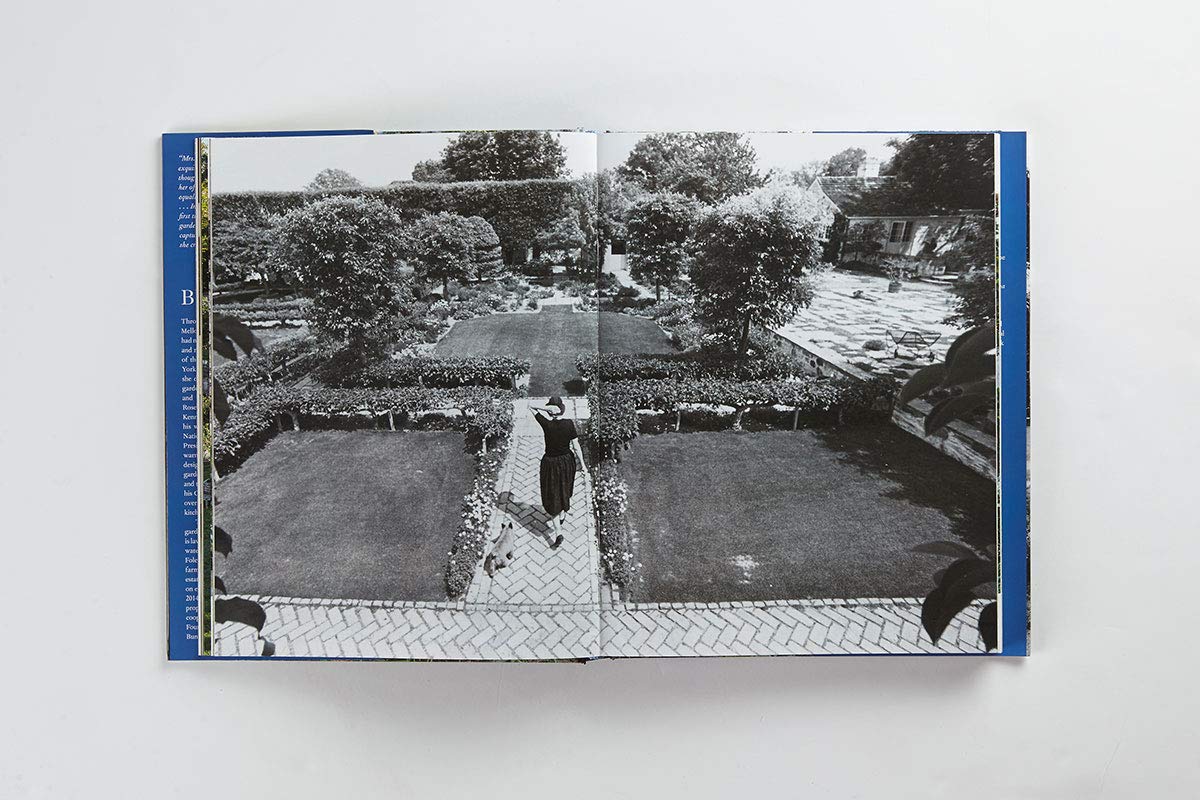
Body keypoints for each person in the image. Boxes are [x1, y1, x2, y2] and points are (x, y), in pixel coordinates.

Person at [532, 395, 577, 549]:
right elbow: (576, 447)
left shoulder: (546, 424)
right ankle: (562, 514)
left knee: (552, 495)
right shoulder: (569, 424)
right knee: (564, 489)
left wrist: (547, 409)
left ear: (550, 411)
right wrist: (583, 466)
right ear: (561, 410)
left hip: (550, 465)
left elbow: (531, 407)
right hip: (566, 462)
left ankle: (558, 532)